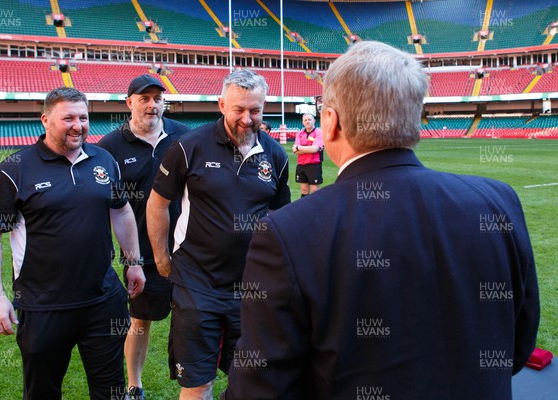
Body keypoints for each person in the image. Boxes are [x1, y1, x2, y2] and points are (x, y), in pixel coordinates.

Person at [224, 41, 540, 399]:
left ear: (330, 122)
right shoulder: (498, 202)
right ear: (414, 117)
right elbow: (519, 345)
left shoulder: (288, 233)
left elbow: (261, 388)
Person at [0, 87, 146, 400]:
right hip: (43, 305)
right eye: (68, 118)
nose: (78, 125)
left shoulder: (103, 160)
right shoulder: (15, 168)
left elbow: (121, 211)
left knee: (111, 389)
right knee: (42, 391)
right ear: (45, 120)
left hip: (103, 300)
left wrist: (133, 262)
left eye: (83, 117)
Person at [147, 69, 291, 400]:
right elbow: (157, 205)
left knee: (251, 380)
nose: (246, 118)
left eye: (254, 110)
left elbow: (280, 217)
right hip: (197, 283)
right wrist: (160, 258)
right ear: (221, 104)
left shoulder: (276, 156)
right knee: (198, 383)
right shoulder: (189, 147)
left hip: (252, 287)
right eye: (238, 109)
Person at [97, 74, 190, 400]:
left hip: (184, 248)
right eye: (144, 98)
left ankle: (191, 380)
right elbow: (103, 206)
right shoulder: (109, 147)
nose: (152, 105)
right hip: (140, 255)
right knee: (139, 321)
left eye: (157, 98)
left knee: (190, 318)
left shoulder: (183, 136)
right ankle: (134, 385)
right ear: (130, 102)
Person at [292, 113, 323, 196]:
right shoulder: (300, 133)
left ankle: (316, 209)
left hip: (314, 165)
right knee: (304, 190)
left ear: (314, 121)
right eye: (305, 120)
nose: (307, 122)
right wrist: (309, 148)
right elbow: (295, 151)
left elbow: (315, 149)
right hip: (301, 165)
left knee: (315, 190)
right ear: (302, 122)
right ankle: (305, 208)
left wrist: (299, 147)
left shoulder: (319, 133)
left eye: (309, 119)